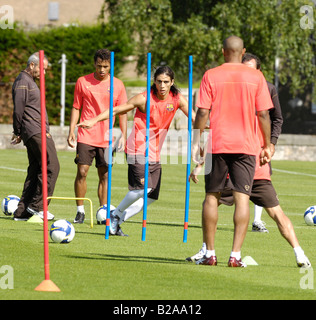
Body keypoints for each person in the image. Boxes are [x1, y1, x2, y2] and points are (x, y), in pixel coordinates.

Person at [77, 65, 195, 236]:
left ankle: (118, 219)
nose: (162, 86)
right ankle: (115, 213)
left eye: (166, 82)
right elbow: (117, 109)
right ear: (154, 82)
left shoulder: (177, 99)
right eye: (159, 81)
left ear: (172, 82)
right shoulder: (144, 98)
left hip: (155, 152)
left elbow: (194, 117)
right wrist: (93, 120)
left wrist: (211, 125)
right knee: (142, 189)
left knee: (151, 197)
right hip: (137, 147)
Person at [191, 35, 273, 267]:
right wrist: (266, 145)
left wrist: (197, 141)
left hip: (217, 144)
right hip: (247, 146)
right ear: (243, 51)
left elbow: (203, 113)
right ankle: (235, 256)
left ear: (223, 51)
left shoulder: (210, 75)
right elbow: (264, 114)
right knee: (242, 198)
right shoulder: (256, 76)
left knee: (211, 196)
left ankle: (210, 254)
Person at [187, 133, 311, 268]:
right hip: (258, 171)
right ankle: (300, 254)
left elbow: (213, 139)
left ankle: (209, 252)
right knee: (277, 213)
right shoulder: (259, 117)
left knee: (210, 203)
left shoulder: (236, 118)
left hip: (238, 173)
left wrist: (200, 164)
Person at [67, 49, 127, 225]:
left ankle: (103, 211)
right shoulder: (82, 82)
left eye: (106, 67)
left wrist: (123, 134)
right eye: (99, 66)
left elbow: (123, 112)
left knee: (104, 175)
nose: (102, 70)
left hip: (107, 137)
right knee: (82, 171)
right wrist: (72, 129)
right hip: (86, 134)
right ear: (94, 64)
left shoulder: (118, 85)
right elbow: (76, 107)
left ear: (111, 66)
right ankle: (80, 211)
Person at [11, 52, 60, 221]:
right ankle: (37, 207)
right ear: (32, 65)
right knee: (52, 166)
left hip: (34, 131)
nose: (44, 73)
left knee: (35, 170)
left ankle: (22, 212)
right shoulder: (23, 81)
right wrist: (17, 131)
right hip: (35, 131)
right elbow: (18, 109)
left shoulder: (29, 81)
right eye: (42, 69)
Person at [242, 53, 283, 233]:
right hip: (237, 145)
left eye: (251, 70)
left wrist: (271, 143)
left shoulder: (269, 89)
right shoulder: (236, 88)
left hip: (260, 144)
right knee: (220, 190)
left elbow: (277, 118)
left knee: (262, 181)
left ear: (259, 71)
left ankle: (257, 221)